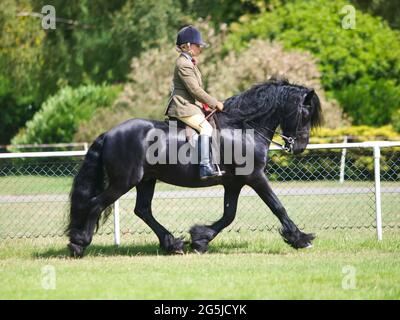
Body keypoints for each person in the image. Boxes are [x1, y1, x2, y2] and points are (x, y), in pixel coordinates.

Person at [164, 25, 224, 180]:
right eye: (198, 45)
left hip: (191, 105)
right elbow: (195, 90)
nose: (200, 48)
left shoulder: (190, 62)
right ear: (188, 45)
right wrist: (214, 102)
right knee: (206, 128)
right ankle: (205, 167)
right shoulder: (183, 64)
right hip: (183, 107)